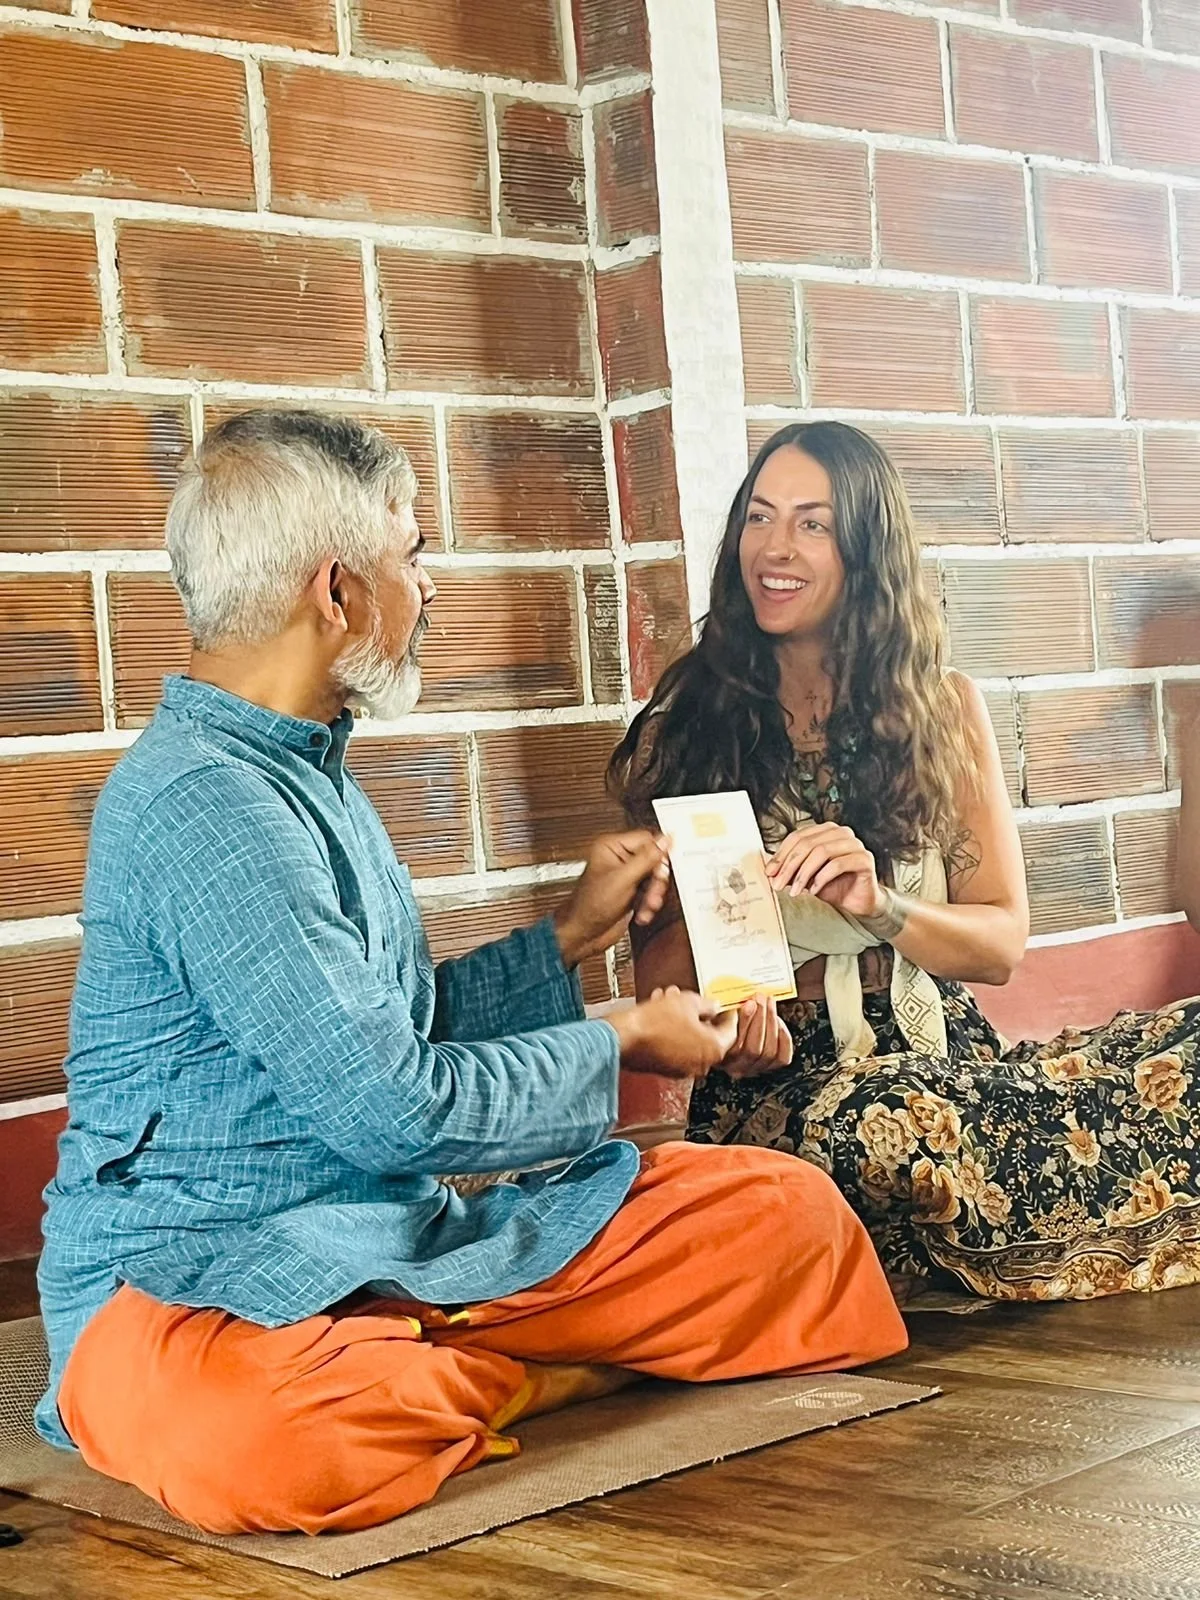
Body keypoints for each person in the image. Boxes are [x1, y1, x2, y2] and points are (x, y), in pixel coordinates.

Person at [36, 410, 906, 1537]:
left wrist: (566, 939)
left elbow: (403, 1027)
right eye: (418, 554)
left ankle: (443, 1372)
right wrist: (623, 1040)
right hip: (201, 1286)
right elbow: (393, 1105)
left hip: (402, 1246)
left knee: (785, 1219)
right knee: (264, 1434)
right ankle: (512, 1369)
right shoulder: (205, 803)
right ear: (338, 593)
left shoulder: (309, 767)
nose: (431, 589)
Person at [611, 420, 1200, 1304]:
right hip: (791, 1089)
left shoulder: (942, 709)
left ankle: (988, 1195)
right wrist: (735, 988)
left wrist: (879, 904)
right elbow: (657, 977)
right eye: (760, 518)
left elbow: (998, 945)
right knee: (881, 1120)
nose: (775, 548)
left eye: (812, 524)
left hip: (949, 1059)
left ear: (867, 550)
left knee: (1181, 1041)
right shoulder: (691, 727)